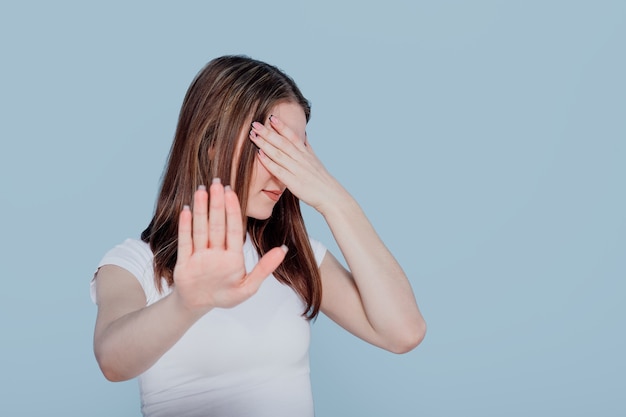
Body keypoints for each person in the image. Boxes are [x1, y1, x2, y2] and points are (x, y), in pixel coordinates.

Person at [91, 55, 426, 417]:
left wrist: (333, 200)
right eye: (272, 148)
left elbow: (403, 332)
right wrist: (187, 304)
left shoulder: (292, 257)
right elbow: (112, 360)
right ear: (211, 143)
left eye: (296, 154)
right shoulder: (134, 263)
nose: (286, 174)